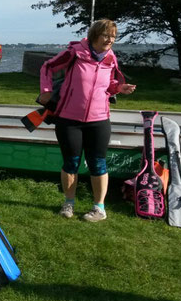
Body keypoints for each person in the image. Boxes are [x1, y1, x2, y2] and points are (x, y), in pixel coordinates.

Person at [38, 19, 136, 222]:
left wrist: (119, 88)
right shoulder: (75, 52)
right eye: (106, 35)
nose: (110, 40)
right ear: (94, 36)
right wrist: (46, 91)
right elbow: (48, 67)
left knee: (98, 163)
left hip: (99, 119)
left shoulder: (110, 58)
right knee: (71, 162)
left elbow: (109, 84)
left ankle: (99, 208)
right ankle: (69, 203)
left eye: (113, 37)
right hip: (69, 119)